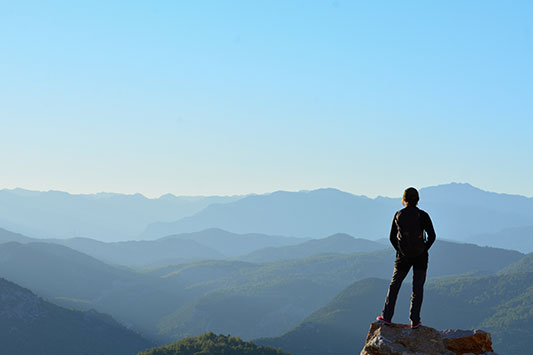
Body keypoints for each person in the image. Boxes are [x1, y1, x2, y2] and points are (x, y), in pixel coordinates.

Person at [377, 187, 436, 329]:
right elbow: (432, 236)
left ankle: (387, 317)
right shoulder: (423, 215)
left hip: (403, 258)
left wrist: (400, 251)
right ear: (417, 200)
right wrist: (423, 249)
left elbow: (392, 237)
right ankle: (415, 321)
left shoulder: (399, 214)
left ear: (404, 199)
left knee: (395, 285)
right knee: (417, 288)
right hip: (421, 257)